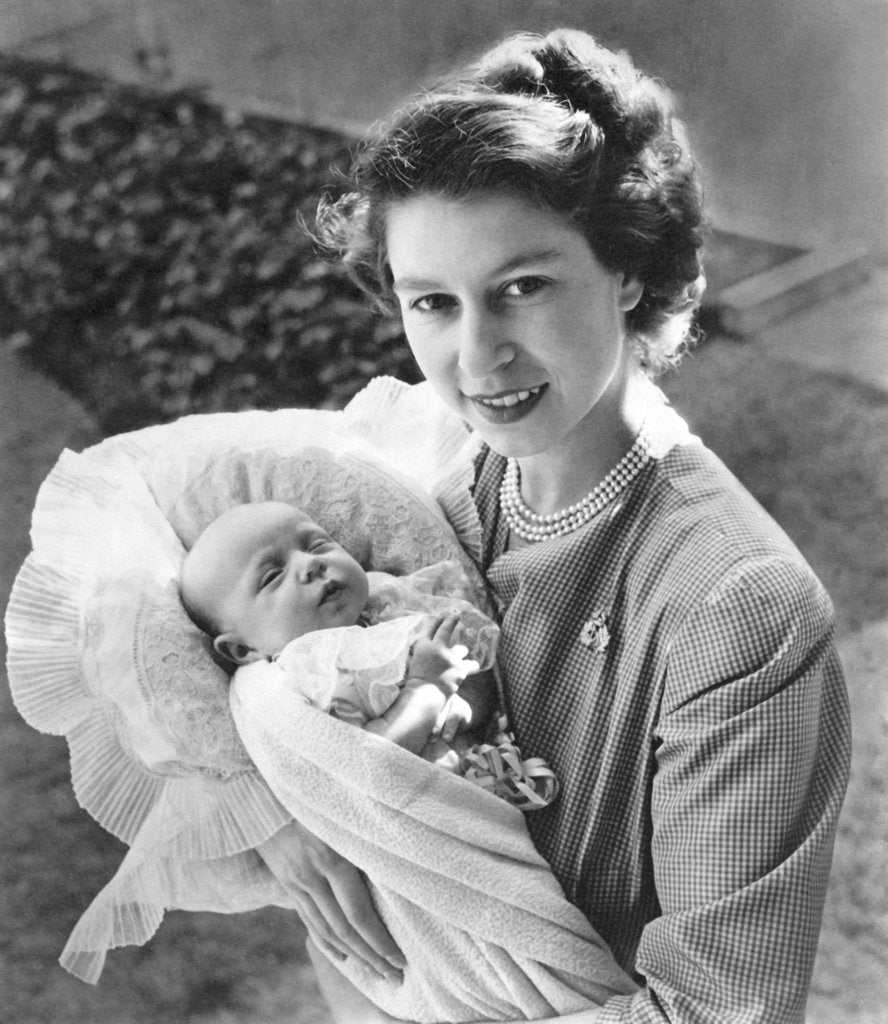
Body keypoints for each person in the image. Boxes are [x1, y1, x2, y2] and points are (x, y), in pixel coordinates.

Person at [286, 26, 853, 1023]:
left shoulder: (734, 606)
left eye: (523, 288)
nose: (477, 357)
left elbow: (716, 1014)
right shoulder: (436, 489)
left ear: (627, 271)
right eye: (434, 303)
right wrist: (291, 817)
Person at [181, 498, 553, 802]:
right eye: (272, 576)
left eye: (317, 544)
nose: (310, 564)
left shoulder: (389, 604)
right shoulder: (304, 681)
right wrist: (426, 689)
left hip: (489, 772)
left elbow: (476, 667)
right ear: (243, 649)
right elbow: (369, 767)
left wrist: (464, 701)